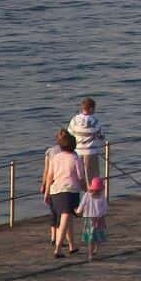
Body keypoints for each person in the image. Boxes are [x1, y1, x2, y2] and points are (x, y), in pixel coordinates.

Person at [41, 128, 86, 258]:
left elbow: (50, 176)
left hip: (55, 191)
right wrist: (87, 189)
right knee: (66, 217)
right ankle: (58, 248)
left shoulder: (55, 158)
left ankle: (72, 245)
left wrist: (47, 192)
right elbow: (80, 177)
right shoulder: (75, 158)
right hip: (70, 191)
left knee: (67, 217)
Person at [67, 96, 107, 194]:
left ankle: (81, 201)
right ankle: (91, 199)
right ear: (91, 108)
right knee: (92, 179)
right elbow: (101, 136)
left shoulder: (74, 120)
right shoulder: (95, 121)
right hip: (91, 153)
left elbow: (69, 134)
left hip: (77, 153)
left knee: (78, 179)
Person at [77, 178, 107, 261]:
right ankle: (96, 249)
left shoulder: (87, 195)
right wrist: (102, 217)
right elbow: (105, 208)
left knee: (90, 238)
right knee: (98, 236)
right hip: (99, 218)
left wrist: (78, 211)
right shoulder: (102, 196)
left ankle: (90, 255)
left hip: (89, 219)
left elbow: (82, 205)